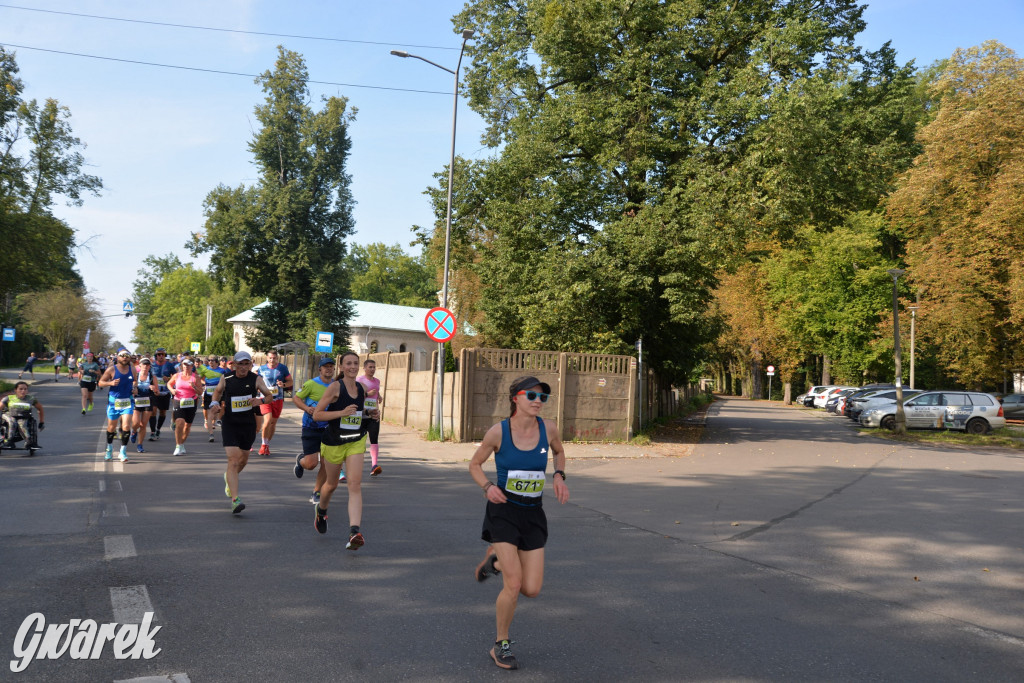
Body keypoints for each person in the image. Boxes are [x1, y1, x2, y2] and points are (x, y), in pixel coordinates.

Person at [468, 376, 570, 671]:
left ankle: (495, 562)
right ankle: (501, 643)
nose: (538, 401)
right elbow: (474, 465)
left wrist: (560, 475)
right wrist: (488, 487)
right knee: (513, 585)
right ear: (516, 398)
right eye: (532, 395)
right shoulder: (498, 433)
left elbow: (559, 451)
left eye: (543, 397)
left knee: (532, 589)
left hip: (533, 513)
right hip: (504, 511)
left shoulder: (548, 428)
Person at [311, 351, 379, 549]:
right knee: (331, 485)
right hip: (333, 442)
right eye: (348, 363)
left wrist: (369, 413)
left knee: (355, 484)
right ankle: (321, 511)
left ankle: (354, 531)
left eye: (355, 363)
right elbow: (317, 415)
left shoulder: (361, 388)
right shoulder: (334, 387)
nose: (352, 366)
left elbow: (358, 413)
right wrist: (341, 412)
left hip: (355, 441)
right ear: (341, 367)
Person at [209, 351, 275, 514]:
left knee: (243, 460)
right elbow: (217, 391)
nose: (244, 367)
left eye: (247, 364)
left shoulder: (256, 379)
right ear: (235, 364)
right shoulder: (227, 378)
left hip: (248, 424)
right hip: (230, 423)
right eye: (241, 364)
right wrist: (215, 403)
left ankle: (229, 478)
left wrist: (259, 400)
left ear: (250, 365)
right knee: (233, 459)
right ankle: (235, 500)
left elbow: (269, 396)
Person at [292, 357, 336, 505]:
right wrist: (306, 408)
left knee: (325, 463)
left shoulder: (336, 386)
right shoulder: (311, 384)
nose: (329, 369)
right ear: (320, 369)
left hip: (328, 429)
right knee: (311, 464)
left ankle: (316, 492)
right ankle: (300, 460)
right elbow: (296, 398)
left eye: (331, 367)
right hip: (310, 427)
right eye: (326, 367)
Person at [98, 349, 137, 463]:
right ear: (118, 357)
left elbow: (135, 381)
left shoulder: (132, 369)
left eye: (127, 356)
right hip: (114, 402)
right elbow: (100, 382)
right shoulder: (111, 369)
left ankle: (123, 452)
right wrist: (110, 383)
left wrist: (134, 388)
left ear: (129, 358)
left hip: (127, 401)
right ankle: (109, 449)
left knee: (126, 426)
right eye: (122, 356)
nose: (124, 357)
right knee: (111, 428)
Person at [255, 349, 292, 456]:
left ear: (277, 358)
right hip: (265, 398)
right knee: (267, 420)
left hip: (278, 398)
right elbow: (257, 382)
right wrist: (258, 389)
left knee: (273, 423)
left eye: (274, 358)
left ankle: (267, 444)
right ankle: (263, 445)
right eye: (270, 358)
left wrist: (283, 385)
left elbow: (290, 381)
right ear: (267, 358)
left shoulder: (282, 368)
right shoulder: (261, 369)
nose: (272, 360)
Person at [167, 358, 204, 456]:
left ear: (192, 366)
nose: (186, 367)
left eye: (188, 365)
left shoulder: (195, 377)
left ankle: (181, 443)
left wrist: (194, 387)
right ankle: (178, 446)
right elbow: (169, 384)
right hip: (178, 401)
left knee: (187, 426)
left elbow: (200, 392)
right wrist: (172, 390)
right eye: (184, 365)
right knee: (179, 422)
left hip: (191, 402)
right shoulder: (176, 376)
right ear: (182, 366)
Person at [357, 358, 384, 477]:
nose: (372, 369)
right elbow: (355, 396)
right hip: (362, 414)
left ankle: (374, 465)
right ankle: (355, 465)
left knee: (374, 439)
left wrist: (379, 397)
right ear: (364, 368)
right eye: (370, 367)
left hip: (373, 414)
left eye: (374, 367)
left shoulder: (377, 381)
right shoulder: (359, 380)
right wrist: (367, 394)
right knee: (358, 442)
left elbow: (376, 393)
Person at [1, 381, 44, 449]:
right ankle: (9, 441)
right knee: (12, 422)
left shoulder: (31, 399)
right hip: (9, 415)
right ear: (16, 390)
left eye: (25, 389)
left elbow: (40, 409)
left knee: (23, 424)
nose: (23, 391)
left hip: (23, 416)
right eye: (20, 389)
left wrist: (41, 422)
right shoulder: (9, 398)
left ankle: (29, 442)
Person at [130, 358, 159, 453]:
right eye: (144, 364)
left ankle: (140, 445)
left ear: (150, 367)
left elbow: (157, 392)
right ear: (140, 365)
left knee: (143, 425)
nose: (145, 366)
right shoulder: (136, 376)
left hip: (148, 401)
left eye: (147, 365)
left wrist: (154, 388)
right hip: (137, 401)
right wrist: (134, 390)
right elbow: (131, 388)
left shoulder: (152, 377)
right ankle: (134, 431)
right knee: (136, 423)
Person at [149, 348, 175, 441]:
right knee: (153, 411)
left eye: (163, 354)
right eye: (159, 354)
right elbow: (147, 377)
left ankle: (158, 429)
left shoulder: (169, 365)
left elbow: (175, 377)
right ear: (156, 356)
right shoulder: (152, 365)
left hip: (165, 393)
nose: (161, 356)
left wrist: (169, 379)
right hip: (154, 392)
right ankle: (152, 432)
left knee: (163, 412)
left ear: (165, 355)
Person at [199, 355, 224, 443]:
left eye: (212, 360)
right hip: (208, 394)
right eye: (209, 360)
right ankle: (211, 434)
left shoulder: (222, 371)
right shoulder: (205, 370)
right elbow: (199, 378)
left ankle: (217, 420)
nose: (210, 362)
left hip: (218, 395)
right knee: (209, 414)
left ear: (216, 362)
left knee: (217, 411)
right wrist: (203, 384)